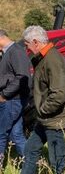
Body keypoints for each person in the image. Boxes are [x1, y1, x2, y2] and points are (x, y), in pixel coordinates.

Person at [21, 25, 65, 174]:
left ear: (35, 42)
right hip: (46, 117)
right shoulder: (43, 57)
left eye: (27, 45)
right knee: (30, 149)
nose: (27, 49)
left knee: (57, 161)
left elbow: (59, 94)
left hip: (55, 119)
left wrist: (42, 109)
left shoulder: (52, 59)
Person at [0, 29, 31, 168]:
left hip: (12, 100)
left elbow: (22, 77)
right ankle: (30, 165)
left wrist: (4, 94)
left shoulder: (15, 52)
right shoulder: (8, 52)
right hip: (13, 100)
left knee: (0, 134)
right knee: (16, 134)